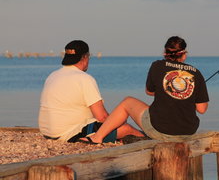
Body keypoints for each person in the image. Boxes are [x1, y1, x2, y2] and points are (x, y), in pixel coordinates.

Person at [80, 36, 209, 144]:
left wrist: (166, 91)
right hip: (187, 133)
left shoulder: (157, 66)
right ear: (184, 55)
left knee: (127, 102)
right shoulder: (196, 73)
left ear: (165, 52)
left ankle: (97, 137)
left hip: (160, 130)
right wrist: (185, 96)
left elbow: (149, 91)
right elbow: (202, 109)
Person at [38, 40, 144, 143]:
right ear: (85, 57)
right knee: (126, 129)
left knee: (112, 124)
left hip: (48, 132)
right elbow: (102, 117)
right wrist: (119, 122)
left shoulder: (53, 76)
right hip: (68, 134)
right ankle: (150, 141)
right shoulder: (84, 78)